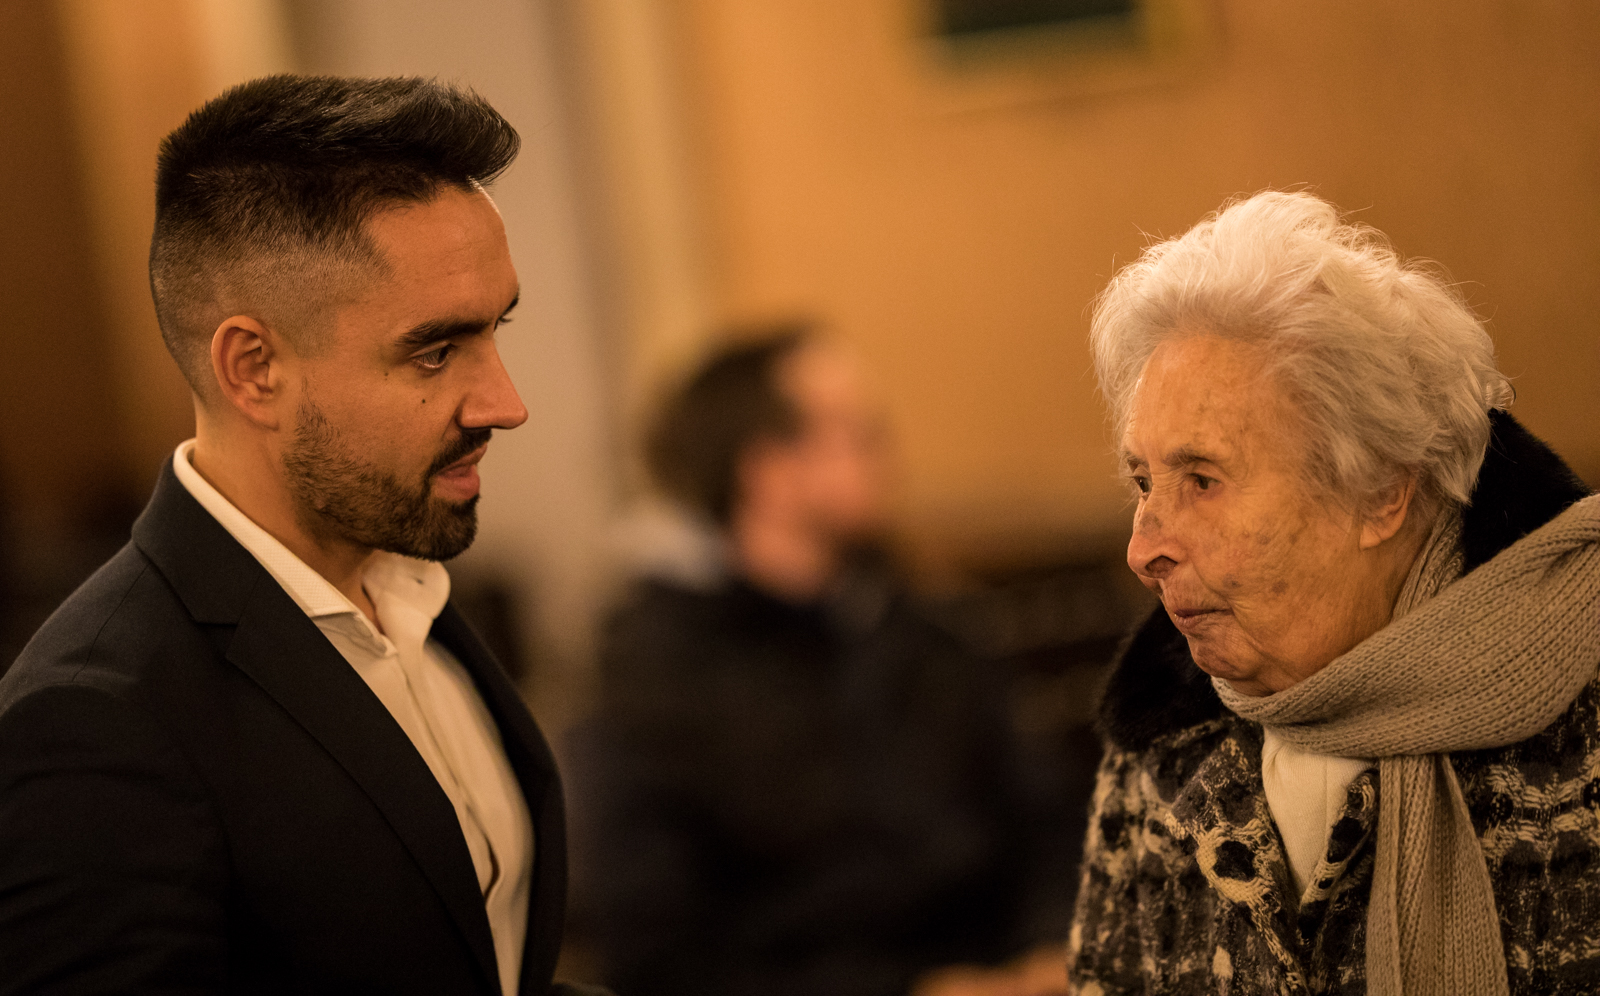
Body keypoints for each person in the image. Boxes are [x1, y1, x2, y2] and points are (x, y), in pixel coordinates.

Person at [0, 75, 608, 996]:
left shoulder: (408, 583)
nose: (506, 403)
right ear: (254, 369)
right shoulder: (98, 721)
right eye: (436, 350)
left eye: (498, 330)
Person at [1069, 190, 1600, 995]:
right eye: (1144, 481)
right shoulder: (1160, 757)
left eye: (1203, 480)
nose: (1144, 549)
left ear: (1381, 492)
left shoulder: (1581, 738)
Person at [571, 328, 1071, 996]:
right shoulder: (657, 678)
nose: (885, 456)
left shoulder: (922, 631)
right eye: (859, 434)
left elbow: (1047, 819)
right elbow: (660, 958)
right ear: (768, 470)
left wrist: (1050, 944)